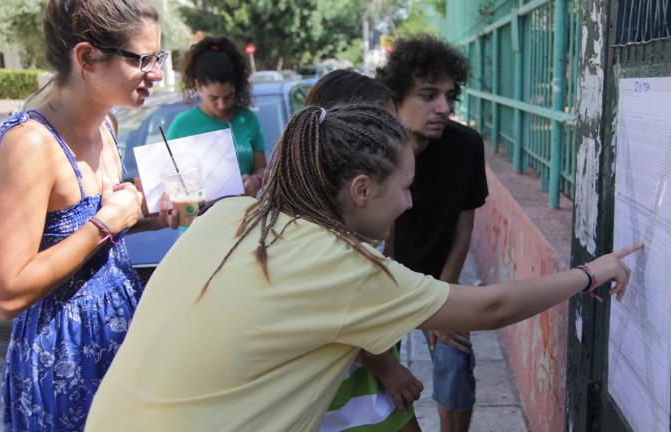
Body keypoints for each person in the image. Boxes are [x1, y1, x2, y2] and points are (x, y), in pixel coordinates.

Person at [85, 103, 641, 431]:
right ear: (361, 189)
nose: (410, 203)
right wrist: (592, 273)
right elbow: (489, 308)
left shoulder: (232, 213)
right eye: (405, 188)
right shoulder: (342, 266)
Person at [0, 0, 177, 430]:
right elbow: (5, 294)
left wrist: (145, 214)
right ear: (86, 58)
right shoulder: (29, 145)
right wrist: (107, 224)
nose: (158, 74)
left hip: (116, 339)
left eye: (158, 57)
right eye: (143, 59)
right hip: (64, 358)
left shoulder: (107, 125)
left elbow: (95, 229)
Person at [376, 35, 485, 432]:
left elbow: (464, 225)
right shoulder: (373, 150)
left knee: (455, 359)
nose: (444, 108)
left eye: (449, 95)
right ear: (396, 96)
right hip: (378, 285)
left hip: (437, 279)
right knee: (380, 382)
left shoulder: (466, 146)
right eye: (428, 95)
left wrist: (443, 299)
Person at [306, 70, 424, 432]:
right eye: (382, 126)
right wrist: (387, 368)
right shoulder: (321, 235)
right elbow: (340, 309)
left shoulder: (364, 211)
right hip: (348, 389)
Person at [166, 36, 266, 197]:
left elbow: (262, 167)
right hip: (200, 219)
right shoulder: (181, 126)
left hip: (244, 216)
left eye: (228, 96)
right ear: (198, 85)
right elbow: (168, 179)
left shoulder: (248, 119)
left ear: (236, 87)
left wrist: (256, 180)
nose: (222, 105)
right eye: (213, 98)